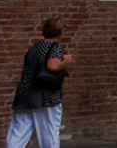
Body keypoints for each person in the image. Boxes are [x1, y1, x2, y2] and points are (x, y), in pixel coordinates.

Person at [6, 19, 70, 148]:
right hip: (46, 96)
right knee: (49, 132)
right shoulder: (56, 47)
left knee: (19, 131)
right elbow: (53, 66)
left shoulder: (34, 47)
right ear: (60, 32)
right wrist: (66, 61)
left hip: (25, 93)